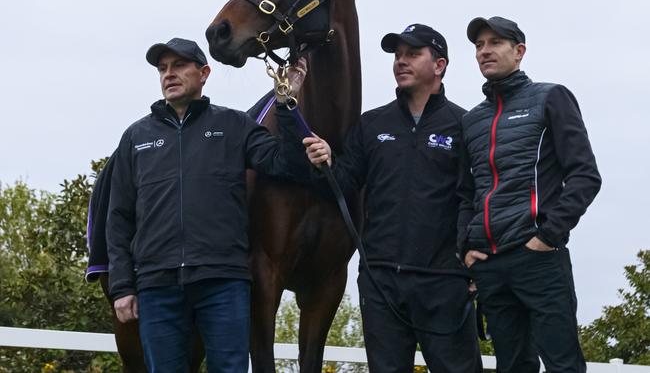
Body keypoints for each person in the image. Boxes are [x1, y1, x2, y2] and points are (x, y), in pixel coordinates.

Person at [106, 37, 308, 372]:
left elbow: (286, 164)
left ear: (204, 73)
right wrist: (123, 286)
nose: (169, 74)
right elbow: (119, 217)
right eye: (163, 69)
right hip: (157, 286)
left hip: (223, 283)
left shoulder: (235, 126)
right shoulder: (136, 137)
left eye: (179, 66)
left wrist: (286, 105)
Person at [304, 24, 482, 373]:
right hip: (381, 281)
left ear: (439, 64)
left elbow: (473, 198)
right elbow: (344, 183)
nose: (401, 62)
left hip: (444, 281)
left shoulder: (465, 124)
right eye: (397, 55)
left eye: (413, 54)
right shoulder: (371, 124)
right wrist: (324, 162)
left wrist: (472, 260)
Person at [458, 16, 602, 373]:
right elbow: (465, 193)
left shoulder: (551, 97)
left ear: (519, 51)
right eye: (479, 45)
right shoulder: (472, 121)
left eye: (495, 43)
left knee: (563, 364)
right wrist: (465, 246)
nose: (485, 51)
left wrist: (548, 236)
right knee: (513, 367)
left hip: (538, 257)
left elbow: (585, 175)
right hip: (490, 264)